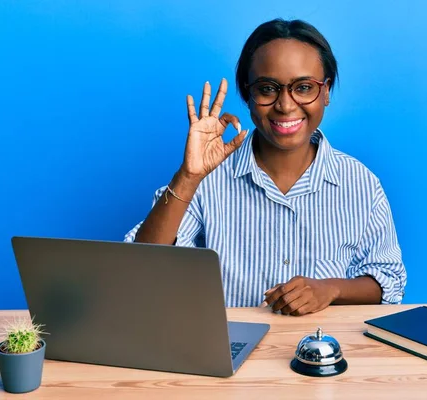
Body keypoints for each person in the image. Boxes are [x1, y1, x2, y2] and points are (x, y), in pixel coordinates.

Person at [124, 18, 407, 315]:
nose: (285, 105)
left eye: (304, 87)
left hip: (324, 351)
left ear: (326, 91)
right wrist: (188, 176)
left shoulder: (361, 183)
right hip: (228, 352)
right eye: (267, 88)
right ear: (247, 95)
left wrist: (331, 288)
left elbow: (387, 280)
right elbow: (141, 269)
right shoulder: (208, 179)